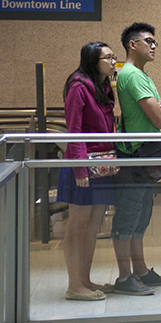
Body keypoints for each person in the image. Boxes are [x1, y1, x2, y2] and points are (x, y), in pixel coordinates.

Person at [111, 22, 161, 295]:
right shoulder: (132, 75)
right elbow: (160, 118)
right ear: (132, 44)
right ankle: (125, 277)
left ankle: (140, 271)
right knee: (128, 218)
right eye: (148, 41)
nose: (153, 45)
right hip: (135, 155)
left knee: (140, 217)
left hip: (146, 155)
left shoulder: (142, 75)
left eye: (155, 42)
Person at [58, 42, 119, 301]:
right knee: (78, 225)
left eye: (113, 57)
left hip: (102, 164)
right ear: (93, 61)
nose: (113, 61)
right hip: (81, 165)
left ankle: (85, 279)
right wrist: (80, 170)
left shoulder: (102, 86)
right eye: (108, 58)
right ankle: (74, 285)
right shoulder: (78, 86)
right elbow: (75, 131)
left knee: (93, 225)